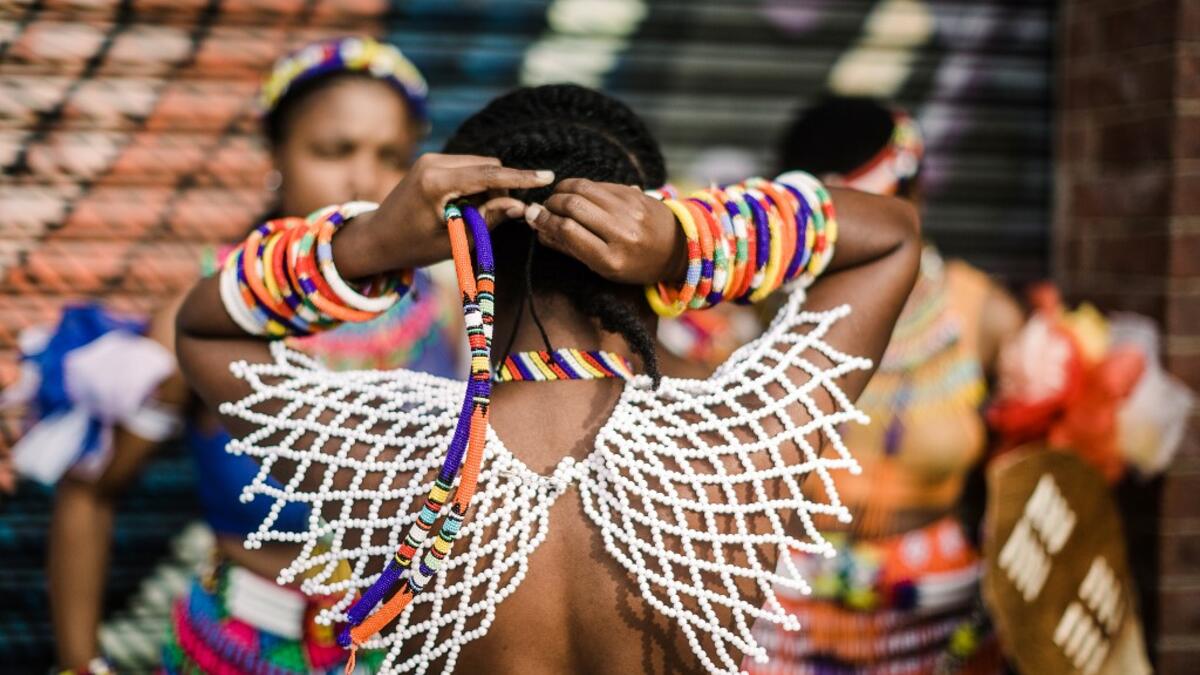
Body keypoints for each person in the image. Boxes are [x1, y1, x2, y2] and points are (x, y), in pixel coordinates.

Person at [173, 84, 922, 674]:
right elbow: (889, 237)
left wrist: (368, 241)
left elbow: (205, 326)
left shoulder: (385, 453)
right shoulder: (739, 444)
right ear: (638, 256)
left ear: (463, 260)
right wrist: (688, 240)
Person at [2, 37, 459, 675]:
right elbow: (92, 492)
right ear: (274, 153)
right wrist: (81, 665)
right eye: (333, 150)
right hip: (235, 651)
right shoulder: (207, 313)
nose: (363, 178)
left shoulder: (440, 308)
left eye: (389, 157)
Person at [746, 97, 1025, 674]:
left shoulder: (981, 314)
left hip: (939, 622)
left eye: (873, 216)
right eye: (836, 220)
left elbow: (1028, 477)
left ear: (914, 200)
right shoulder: (752, 313)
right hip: (779, 618)